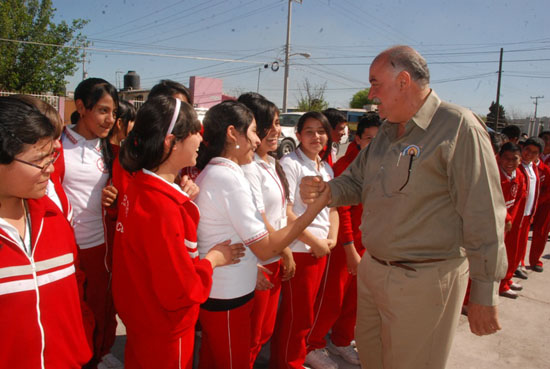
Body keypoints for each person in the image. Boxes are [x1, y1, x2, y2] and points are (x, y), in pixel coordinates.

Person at [300, 45, 507, 369]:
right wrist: (326, 190)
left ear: (403, 81)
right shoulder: (385, 133)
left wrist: (485, 292)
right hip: (374, 273)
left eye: (375, 83)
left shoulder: (457, 127)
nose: (370, 94)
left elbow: (485, 213)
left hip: (423, 280)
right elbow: (355, 182)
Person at [112, 96, 245, 369]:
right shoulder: (162, 206)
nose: (201, 139)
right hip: (167, 329)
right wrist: (214, 259)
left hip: (142, 320)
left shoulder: (140, 186)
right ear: (171, 142)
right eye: (195, 132)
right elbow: (180, 290)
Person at [194, 101, 329, 369]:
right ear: (233, 134)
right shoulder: (227, 178)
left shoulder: (223, 173)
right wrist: (314, 209)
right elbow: (266, 248)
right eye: (254, 131)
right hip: (227, 294)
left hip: (227, 290)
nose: (257, 141)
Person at [0, 97, 92, 368]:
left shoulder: (52, 218)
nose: (51, 169)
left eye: (51, 157)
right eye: (39, 160)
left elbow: (75, 292)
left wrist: (80, 353)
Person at [55, 77, 122, 369]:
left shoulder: (111, 152)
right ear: (81, 107)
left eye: (113, 112)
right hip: (64, 248)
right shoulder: (56, 146)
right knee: (68, 314)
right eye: (103, 111)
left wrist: (114, 198)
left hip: (99, 247)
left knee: (101, 306)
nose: (110, 119)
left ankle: (101, 353)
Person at [305, 113, 381, 368]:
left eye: (379, 138)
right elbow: (343, 210)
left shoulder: (381, 167)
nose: (375, 143)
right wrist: (349, 249)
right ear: (357, 139)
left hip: (367, 244)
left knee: (355, 299)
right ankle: (312, 344)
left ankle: (341, 340)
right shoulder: (346, 166)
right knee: (332, 298)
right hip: (344, 246)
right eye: (369, 138)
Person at [270, 111, 339, 369]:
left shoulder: (326, 166)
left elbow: (333, 208)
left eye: (321, 131)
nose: (316, 137)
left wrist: (331, 237)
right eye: (309, 131)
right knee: (296, 317)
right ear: (297, 135)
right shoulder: (290, 164)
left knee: (305, 314)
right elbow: (286, 213)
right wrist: (316, 242)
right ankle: (287, 363)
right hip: (301, 249)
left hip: (321, 250)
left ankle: (294, 360)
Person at [238, 94, 294, 368]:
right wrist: (284, 250)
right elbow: (258, 220)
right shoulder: (248, 168)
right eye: (270, 124)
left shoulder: (270, 163)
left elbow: (281, 213)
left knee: (262, 334)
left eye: (279, 123)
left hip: (273, 257)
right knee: (248, 338)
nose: (278, 131)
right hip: (259, 259)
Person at [497, 143, 527, 299]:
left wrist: (512, 221)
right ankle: (468, 298)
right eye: (506, 158)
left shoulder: (519, 175)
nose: (509, 162)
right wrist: (506, 218)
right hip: (494, 225)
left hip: (509, 225)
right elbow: (492, 200)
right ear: (499, 158)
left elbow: (519, 200)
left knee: (510, 254)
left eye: (514, 159)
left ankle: (505, 283)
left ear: (520, 160)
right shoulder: (493, 174)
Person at [515, 137, 544, 278]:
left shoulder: (533, 168)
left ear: (538, 155)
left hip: (528, 212)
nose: (529, 154)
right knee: (512, 242)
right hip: (516, 213)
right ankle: (510, 269)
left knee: (522, 242)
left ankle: (518, 264)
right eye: (527, 150)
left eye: (534, 152)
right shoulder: (516, 165)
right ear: (522, 149)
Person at [528, 131, 550, 272]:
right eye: (544, 140)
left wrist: (538, 201)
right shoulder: (532, 156)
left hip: (545, 202)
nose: (546, 143)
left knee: (541, 232)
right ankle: (517, 263)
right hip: (528, 200)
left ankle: (535, 259)